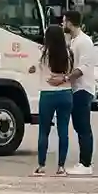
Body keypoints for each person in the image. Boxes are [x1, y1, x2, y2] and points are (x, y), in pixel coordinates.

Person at [29, 24, 73, 175]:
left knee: (44, 132)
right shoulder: (68, 52)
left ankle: (42, 166)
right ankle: (61, 167)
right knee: (63, 131)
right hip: (66, 93)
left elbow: (32, 68)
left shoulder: (43, 53)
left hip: (47, 94)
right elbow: (71, 71)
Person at [55, 10, 95, 175]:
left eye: (64, 21)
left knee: (83, 126)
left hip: (82, 89)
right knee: (78, 126)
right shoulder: (73, 41)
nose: (62, 25)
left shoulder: (84, 42)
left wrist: (65, 79)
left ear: (70, 22)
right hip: (74, 89)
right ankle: (83, 162)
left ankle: (86, 164)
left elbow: (82, 68)